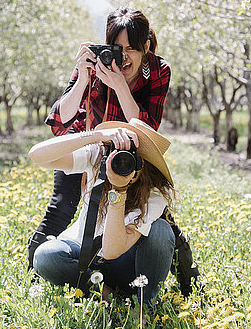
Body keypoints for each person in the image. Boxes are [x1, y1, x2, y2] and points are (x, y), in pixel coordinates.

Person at [27, 7, 171, 269]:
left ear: (146, 46)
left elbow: (148, 128)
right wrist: (83, 78)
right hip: (88, 140)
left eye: (132, 48)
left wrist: (120, 86)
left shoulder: (159, 70)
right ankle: (36, 275)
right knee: (62, 206)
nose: (123, 57)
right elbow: (59, 124)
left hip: (134, 143)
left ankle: (172, 272)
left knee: (154, 214)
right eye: (117, 48)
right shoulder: (96, 63)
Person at [28, 118, 176, 305]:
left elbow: (111, 251)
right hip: (84, 255)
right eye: (120, 153)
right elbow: (37, 155)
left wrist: (119, 189)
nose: (123, 161)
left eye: (132, 158)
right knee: (45, 256)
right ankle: (99, 291)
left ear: (146, 166)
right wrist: (96, 136)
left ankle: (143, 306)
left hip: (125, 265)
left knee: (161, 230)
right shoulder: (99, 157)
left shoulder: (154, 193)